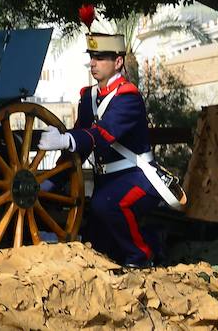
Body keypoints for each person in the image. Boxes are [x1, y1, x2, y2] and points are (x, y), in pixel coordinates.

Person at [37, 30, 168, 266]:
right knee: (97, 246)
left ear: (118, 62)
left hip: (138, 178)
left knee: (107, 204)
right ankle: (151, 239)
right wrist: (52, 180)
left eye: (100, 58)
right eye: (92, 57)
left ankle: (142, 254)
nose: (93, 63)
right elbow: (80, 141)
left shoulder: (128, 97)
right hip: (107, 182)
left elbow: (103, 134)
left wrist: (66, 139)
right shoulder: (89, 97)